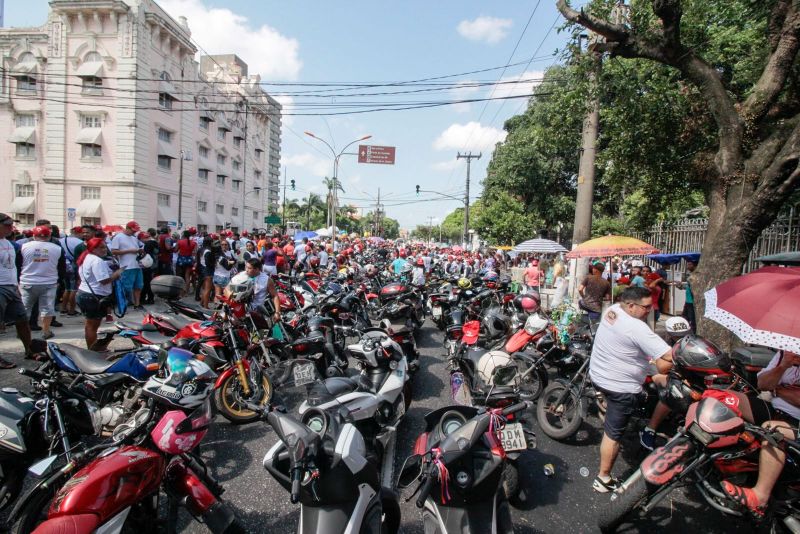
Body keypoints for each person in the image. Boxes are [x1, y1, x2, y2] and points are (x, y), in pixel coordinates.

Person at [588, 287, 673, 492]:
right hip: (619, 386)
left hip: (599, 373)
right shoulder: (636, 327)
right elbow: (669, 356)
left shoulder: (614, 310)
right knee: (613, 434)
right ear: (631, 306)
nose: (650, 309)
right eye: (646, 306)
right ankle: (603, 478)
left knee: (658, 376)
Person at [719, 350, 800, 517]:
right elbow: (763, 384)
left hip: (795, 421)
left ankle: (760, 496)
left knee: (773, 430)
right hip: (777, 409)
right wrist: (784, 365)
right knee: (726, 396)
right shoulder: (784, 354)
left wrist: (777, 389)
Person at [0, 213, 37, 367]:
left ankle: (30, 350)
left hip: (11, 286)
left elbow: (13, 266)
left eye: (11, 224)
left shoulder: (7, 242)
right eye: (7, 225)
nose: (11, 227)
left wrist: (16, 285)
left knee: (22, 319)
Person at [76, 237, 123, 349]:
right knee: (92, 326)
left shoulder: (87, 257)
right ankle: (92, 350)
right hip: (93, 296)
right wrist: (116, 275)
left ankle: (93, 348)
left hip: (86, 293)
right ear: (93, 249)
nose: (105, 249)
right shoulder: (97, 261)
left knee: (90, 325)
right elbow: (103, 280)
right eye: (101, 247)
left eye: (105, 246)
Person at [19, 225, 63, 341]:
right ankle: (46, 331)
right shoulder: (57, 248)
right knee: (47, 308)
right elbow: (61, 267)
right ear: (49, 236)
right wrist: (59, 280)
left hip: (27, 281)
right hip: (49, 282)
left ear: (34, 236)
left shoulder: (24, 247)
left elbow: (18, 264)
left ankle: (23, 331)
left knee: (25, 308)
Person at [110, 221, 144, 310]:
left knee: (138, 286)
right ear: (127, 228)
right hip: (126, 266)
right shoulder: (118, 237)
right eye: (133, 230)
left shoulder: (134, 238)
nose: (134, 232)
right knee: (126, 287)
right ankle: (122, 304)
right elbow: (113, 251)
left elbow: (137, 249)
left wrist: (139, 251)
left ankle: (137, 304)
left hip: (137, 265)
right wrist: (130, 251)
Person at [59, 226, 84, 316]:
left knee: (67, 288)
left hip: (64, 266)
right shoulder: (80, 242)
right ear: (78, 233)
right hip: (74, 266)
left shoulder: (61, 240)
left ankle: (63, 307)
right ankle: (72, 310)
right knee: (74, 289)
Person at [678, 259, 698, 333]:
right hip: (688, 301)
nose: (687, 266)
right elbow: (688, 287)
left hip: (692, 302)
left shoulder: (696, 276)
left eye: (690, 264)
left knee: (692, 319)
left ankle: (693, 333)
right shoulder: (690, 275)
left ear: (695, 265)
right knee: (685, 317)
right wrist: (681, 286)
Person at [140, 229, 159, 305]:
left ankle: (144, 298)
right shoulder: (155, 242)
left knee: (145, 282)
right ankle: (151, 298)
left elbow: (145, 255)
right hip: (154, 264)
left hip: (147, 265)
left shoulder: (148, 243)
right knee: (149, 281)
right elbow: (157, 253)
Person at [196, 237, 216, 309]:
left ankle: (202, 303)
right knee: (208, 289)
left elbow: (198, 261)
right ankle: (205, 306)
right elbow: (208, 263)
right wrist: (214, 265)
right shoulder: (207, 251)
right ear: (210, 242)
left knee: (205, 288)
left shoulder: (201, 249)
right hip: (208, 270)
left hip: (202, 269)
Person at [175, 230, 196, 295]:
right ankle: (187, 291)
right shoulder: (193, 243)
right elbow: (195, 252)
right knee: (187, 276)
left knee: (180, 276)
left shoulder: (180, 242)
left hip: (181, 260)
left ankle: (180, 292)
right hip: (189, 260)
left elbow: (175, 250)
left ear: (183, 235)